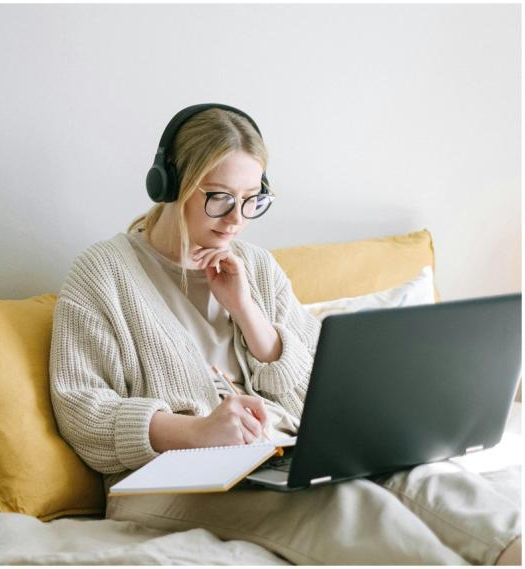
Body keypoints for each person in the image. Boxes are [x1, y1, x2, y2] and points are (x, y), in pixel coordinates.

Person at [49, 104, 521, 565]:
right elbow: (82, 410)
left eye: (251, 199)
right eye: (218, 197)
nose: (236, 219)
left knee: (431, 479)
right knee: (351, 508)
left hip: (280, 455)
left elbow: (316, 389)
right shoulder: (102, 274)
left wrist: (247, 311)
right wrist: (197, 431)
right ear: (170, 186)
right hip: (164, 480)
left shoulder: (254, 266)